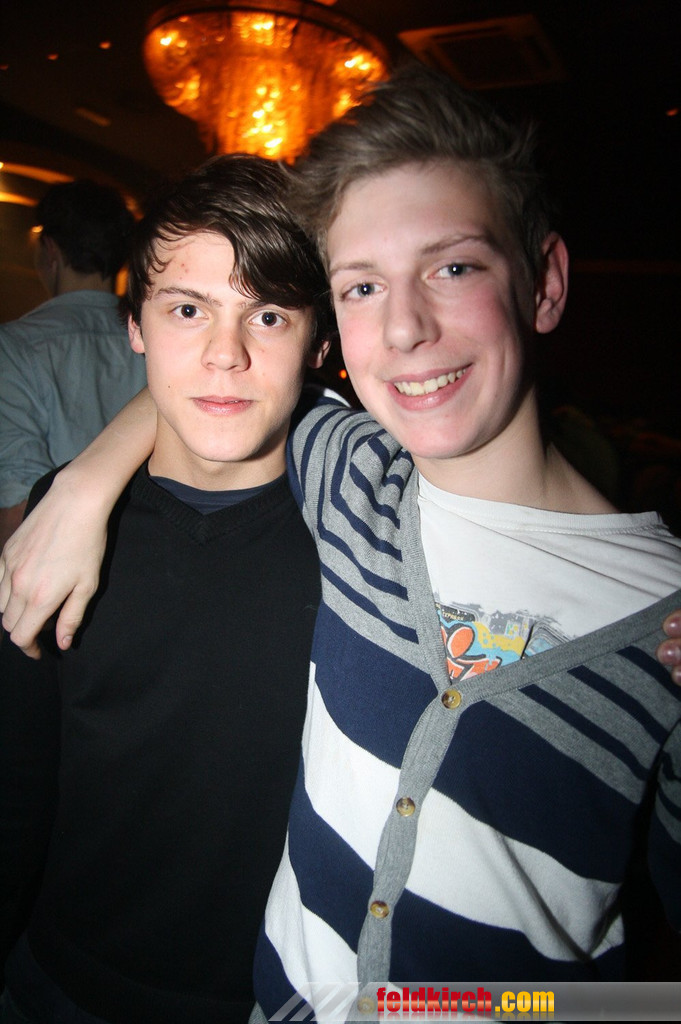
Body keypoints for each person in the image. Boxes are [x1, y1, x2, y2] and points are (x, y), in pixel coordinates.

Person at [1, 63, 681, 1014]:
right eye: (362, 285)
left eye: (453, 268)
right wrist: (80, 486)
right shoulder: (321, 482)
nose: (403, 328)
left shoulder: (364, 508)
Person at [0, 154, 331, 1023]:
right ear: (135, 327)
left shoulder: (359, 535)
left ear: (318, 343)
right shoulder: (64, 518)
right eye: (188, 309)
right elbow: (18, 777)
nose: (225, 354)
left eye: (268, 315)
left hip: (274, 999)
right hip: (60, 981)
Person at [0, 179, 147, 550]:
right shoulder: (158, 337)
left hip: (57, 558)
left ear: (50, 250)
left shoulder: (14, 345)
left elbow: (19, 505)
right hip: (149, 548)